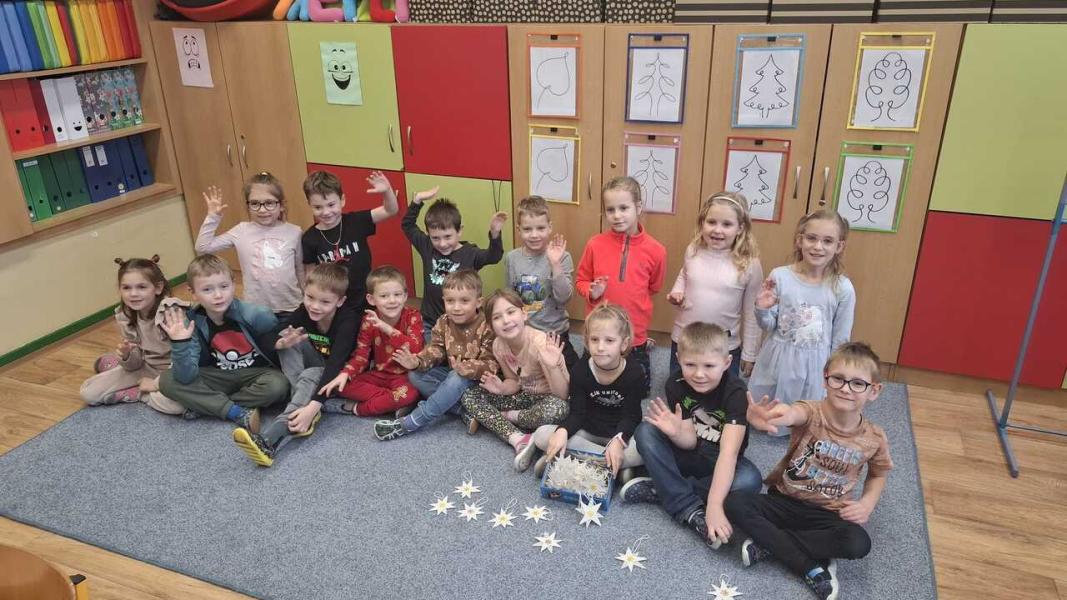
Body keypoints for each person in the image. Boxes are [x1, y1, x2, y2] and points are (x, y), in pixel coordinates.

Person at [726, 342, 893, 600]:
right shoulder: (812, 411)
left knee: (858, 542)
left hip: (827, 513)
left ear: (874, 391)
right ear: (825, 380)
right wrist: (774, 415)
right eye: (838, 379)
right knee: (734, 502)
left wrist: (867, 504)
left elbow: (879, 473)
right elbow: (793, 413)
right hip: (784, 501)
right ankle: (809, 567)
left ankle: (772, 545)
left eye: (858, 383)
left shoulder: (874, 438)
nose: (845, 388)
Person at [622, 322, 763, 550]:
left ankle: (663, 488)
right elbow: (689, 443)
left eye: (709, 365)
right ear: (678, 359)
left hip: (720, 459)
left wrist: (714, 506)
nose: (699, 374)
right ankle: (688, 507)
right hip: (689, 453)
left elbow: (729, 453)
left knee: (750, 480)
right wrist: (676, 433)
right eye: (690, 364)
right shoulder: (675, 383)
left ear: (727, 363)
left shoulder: (736, 392)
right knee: (645, 431)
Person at [231, 263, 359, 467]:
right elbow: (268, 337)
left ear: (340, 301)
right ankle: (300, 403)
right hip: (315, 369)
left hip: (343, 375)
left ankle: (270, 438)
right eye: (310, 297)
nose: (314, 306)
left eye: (325, 302)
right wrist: (281, 343)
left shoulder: (348, 320)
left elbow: (336, 365)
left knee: (312, 373)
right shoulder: (304, 311)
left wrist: (314, 406)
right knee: (288, 338)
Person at [158, 254, 290, 431]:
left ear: (233, 284)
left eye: (224, 286)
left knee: (278, 386)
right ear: (193, 293)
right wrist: (180, 343)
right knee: (167, 380)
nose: (218, 295)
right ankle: (236, 412)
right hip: (219, 375)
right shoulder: (191, 322)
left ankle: (208, 405)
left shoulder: (258, 315)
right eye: (207, 290)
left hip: (258, 373)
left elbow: (278, 351)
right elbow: (186, 377)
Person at [748, 210, 855, 413]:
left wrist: (835, 375)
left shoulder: (843, 288)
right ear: (800, 240)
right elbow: (769, 325)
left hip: (814, 366)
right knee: (766, 411)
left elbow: (841, 340)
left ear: (839, 246)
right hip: (777, 359)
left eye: (827, 241)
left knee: (806, 415)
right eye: (811, 238)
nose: (818, 247)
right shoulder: (780, 276)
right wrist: (762, 309)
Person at [373, 269, 496, 440]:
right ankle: (462, 411)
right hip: (453, 378)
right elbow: (436, 349)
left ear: (478, 302)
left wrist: (467, 368)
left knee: (456, 376)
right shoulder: (444, 321)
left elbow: (492, 364)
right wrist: (417, 361)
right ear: (444, 300)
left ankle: (411, 423)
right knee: (415, 374)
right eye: (450, 301)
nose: (456, 307)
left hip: (479, 385)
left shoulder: (487, 325)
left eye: (464, 301)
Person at [575, 176, 665, 397]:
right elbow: (581, 281)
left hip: (635, 332)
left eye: (623, 208)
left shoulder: (656, 250)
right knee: (587, 385)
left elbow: (654, 286)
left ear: (638, 207)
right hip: (599, 331)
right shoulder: (595, 244)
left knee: (639, 391)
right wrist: (591, 292)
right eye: (610, 209)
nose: (616, 215)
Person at [530, 303, 645, 478]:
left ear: (624, 344)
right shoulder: (580, 370)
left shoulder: (635, 373)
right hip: (586, 431)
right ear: (586, 341)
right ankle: (614, 464)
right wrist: (563, 431)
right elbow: (577, 413)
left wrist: (618, 441)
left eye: (609, 340)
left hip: (619, 433)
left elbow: (632, 416)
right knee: (541, 435)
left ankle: (568, 458)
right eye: (594, 340)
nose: (600, 347)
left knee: (645, 447)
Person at [460, 289, 569, 471]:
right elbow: (513, 381)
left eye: (511, 312)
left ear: (524, 314)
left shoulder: (540, 343)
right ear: (490, 326)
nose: (506, 320)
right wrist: (502, 388)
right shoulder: (498, 345)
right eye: (497, 317)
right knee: (470, 395)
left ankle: (508, 417)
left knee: (559, 409)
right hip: (525, 397)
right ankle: (518, 438)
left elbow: (562, 395)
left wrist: (552, 367)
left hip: (549, 399)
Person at [668, 192, 762, 377]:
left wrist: (750, 353)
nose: (717, 230)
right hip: (685, 339)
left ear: (740, 228)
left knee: (724, 392)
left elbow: (753, 312)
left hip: (724, 345)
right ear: (702, 223)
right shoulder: (693, 250)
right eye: (711, 222)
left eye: (727, 224)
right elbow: (684, 274)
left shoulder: (749, 264)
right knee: (679, 387)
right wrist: (677, 291)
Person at [80, 255, 186, 415]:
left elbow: (185, 359)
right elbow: (135, 364)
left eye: (142, 287)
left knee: (177, 406)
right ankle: (121, 370)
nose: (133, 294)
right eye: (126, 288)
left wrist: (157, 384)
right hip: (146, 367)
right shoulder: (126, 315)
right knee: (89, 393)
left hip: (175, 372)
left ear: (158, 288)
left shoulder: (171, 313)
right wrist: (127, 356)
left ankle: (140, 393)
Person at [402, 186, 506, 338]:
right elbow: (408, 225)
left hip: (464, 323)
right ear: (428, 234)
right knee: (432, 353)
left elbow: (494, 256)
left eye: (448, 237)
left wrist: (495, 234)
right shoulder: (427, 246)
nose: (442, 244)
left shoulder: (470, 253)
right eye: (435, 238)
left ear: (459, 231)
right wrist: (417, 201)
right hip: (431, 322)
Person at [194, 172, 303, 318]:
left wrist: (306, 300)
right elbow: (202, 247)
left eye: (269, 203)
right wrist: (213, 217)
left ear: (281, 205)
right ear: (248, 205)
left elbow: (300, 270)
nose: (262, 210)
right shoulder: (241, 231)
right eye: (255, 203)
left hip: (291, 307)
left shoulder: (294, 232)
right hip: (255, 309)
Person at [319, 266, 423, 417]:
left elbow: (415, 348)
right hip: (378, 375)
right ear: (371, 299)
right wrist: (346, 373)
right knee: (340, 383)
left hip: (404, 377)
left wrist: (387, 329)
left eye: (397, 294)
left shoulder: (413, 316)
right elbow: (361, 356)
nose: (392, 300)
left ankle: (355, 408)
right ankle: (390, 401)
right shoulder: (369, 320)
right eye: (384, 296)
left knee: (411, 393)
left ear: (405, 296)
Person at [300, 169, 399, 315]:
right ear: (309, 204)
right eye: (318, 207)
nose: (326, 212)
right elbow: (310, 276)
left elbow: (390, 210)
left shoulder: (356, 221)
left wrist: (387, 191)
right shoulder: (310, 238)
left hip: (367, 298)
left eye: (331, 205)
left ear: (342, 200)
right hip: (335, 304)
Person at [504, 195, 578, 367]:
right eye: (527, 229)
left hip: (555, 332)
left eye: (541, 228)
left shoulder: (563, 257)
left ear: (550, 227)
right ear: (519, 229)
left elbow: (564, 298)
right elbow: (510, 297)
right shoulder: (512, 258)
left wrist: (555, 264)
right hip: (525, 331)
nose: (534, 235)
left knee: (572, 374)